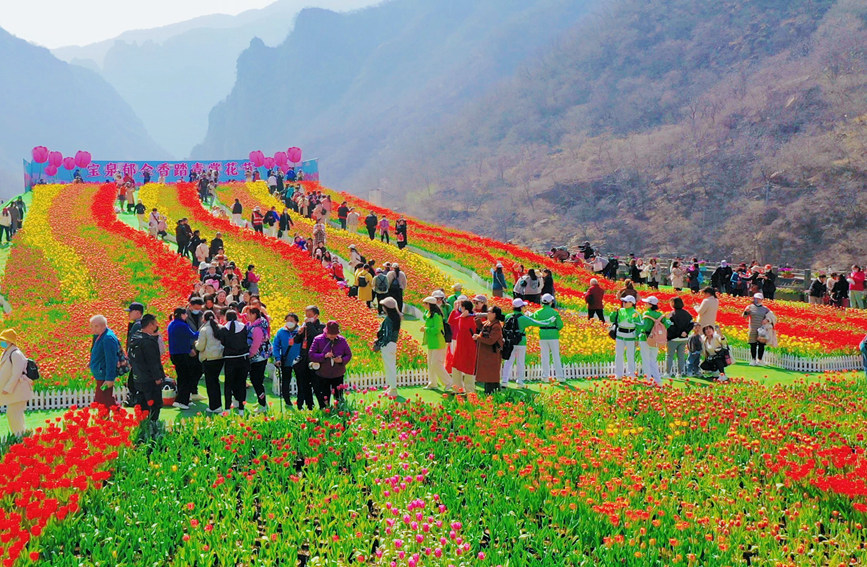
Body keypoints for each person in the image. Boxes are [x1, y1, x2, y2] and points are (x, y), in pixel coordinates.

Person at [500, 298, 551, 387]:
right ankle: (520, 382)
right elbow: (537, 323)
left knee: (508, 362)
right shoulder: (523, 318)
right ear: (521, 307)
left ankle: (504, 381)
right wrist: (549, 321)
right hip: (521, 342)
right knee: (520, 362)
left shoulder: (508, 316)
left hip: (510, 342)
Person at [128, 314, 165, 424]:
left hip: (138, 377)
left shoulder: (135, 338)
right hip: (150, 378)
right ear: (150, 325)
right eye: (155, 323)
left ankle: (142, 423)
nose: (157, 326)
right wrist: (158, 377)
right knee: (154, 404)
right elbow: (153, 362)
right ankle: (152, 424)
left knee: (142, 402)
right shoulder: (148, 342)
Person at [309, 320, 352, 407]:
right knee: (325, 396)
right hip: (323, 373)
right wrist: (324, 356)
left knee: (339, 396)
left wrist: (341, 360)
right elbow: (311, 355)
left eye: (334, 335)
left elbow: (348, 354)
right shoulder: (318, 339)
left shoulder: (342, 340)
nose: (332, 337)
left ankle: (339, 410)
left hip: (338, 373)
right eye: (331, 335)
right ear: (326, 332)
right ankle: (325, 411)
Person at [214, 310, 250, 413]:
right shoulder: (243, 327)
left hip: (230, 359)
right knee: (241, 383)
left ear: (226, 317)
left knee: (228, 384)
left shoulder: (224, 329)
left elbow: (223, 342)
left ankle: (227, 408)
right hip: (243, 358)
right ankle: (241, 409)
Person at [0, 329, 33, 436]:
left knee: (13, 413)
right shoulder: (7, 352)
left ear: (9, 341)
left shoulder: (16, 354)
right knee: (14, 414)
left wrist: (7, 388)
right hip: (15, 391)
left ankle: (20, 435)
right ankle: (21, 435)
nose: (2, 342)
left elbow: (16, 373)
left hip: (18, 389)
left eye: (4, 340)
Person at [293, 306, 325, 410]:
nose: (307, 318)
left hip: (316, 361)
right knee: (305, 385)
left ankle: (322, 405)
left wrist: (309, 324)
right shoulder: (304, 327)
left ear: (316, 316)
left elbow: (317, 336)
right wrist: (299, 332)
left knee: (317, 385)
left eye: (310, 316)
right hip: (304, 359)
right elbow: (296, 341)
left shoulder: (322, 326)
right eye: (306, 315)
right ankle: (309, 405)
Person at [167, 308, 199, 410]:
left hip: (175, 354)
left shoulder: (172, 324)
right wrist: (202, 329)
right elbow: (193, 335)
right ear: (181, 315)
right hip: (182, 354)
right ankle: (181, 401)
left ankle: (185, 399)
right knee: (186, 378)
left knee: (181, 377)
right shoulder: (182, 325)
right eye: (185, 314)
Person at [194, 310, 224, 413]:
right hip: (219, 358)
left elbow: (200, 346)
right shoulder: (220, 327)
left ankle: (214, 406)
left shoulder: (204, 329)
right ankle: (218, 405)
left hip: (209, 359)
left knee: (211, 384)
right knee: (216, 382)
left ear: (204, 318)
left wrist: (196, 343)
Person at [88, 315, 121, 409]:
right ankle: (112, 420)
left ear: (100, 326)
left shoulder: (108, 338)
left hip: (104, 376)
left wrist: (110, 378)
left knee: (102, 400)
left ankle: (111, 420)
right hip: (101, 374)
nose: (92, 328)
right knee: (106, 400)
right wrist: (91, 362)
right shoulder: (100, 336)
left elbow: (111, 359)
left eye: (94, 326)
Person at [531, 294, 565, 383]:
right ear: (550, 302)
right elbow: (560, 325)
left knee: (544, 356)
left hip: (542, 334)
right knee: (555, 356)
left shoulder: (538, 312)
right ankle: (560, 376)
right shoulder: (554, 312)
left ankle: (545, 376)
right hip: (553, 335)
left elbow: (532, 319)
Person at [637, 297, 670, 386]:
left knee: (646, 360)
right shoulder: (660, 314)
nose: (645, 304)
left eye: (647, 303)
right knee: (653, 360)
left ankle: (648, 380)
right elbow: (667, 324)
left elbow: (643, 326)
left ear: (651, 305)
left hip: (645, 338)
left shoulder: (646, 313)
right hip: (656, 340)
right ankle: (658, 380)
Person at [421, 297, 452, 390]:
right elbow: (425, 316)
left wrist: (425, 329)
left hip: (438, 342)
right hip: (432, 342)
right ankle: (432, 383)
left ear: (430, 305)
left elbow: (437, 329)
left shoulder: (436, 315)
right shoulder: (429, 314)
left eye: (425, 303)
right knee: (430, 363)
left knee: (436, 363)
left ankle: (449, 382)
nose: (423, 305)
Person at [272, 313, 301, 409]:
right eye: (287, 320)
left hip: (299, 361)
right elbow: (276, 346)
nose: (289, 323)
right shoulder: (281, 332)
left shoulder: (301, 331)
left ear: (296, 322)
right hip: (286, 360)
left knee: (301, 382)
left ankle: (300, 402)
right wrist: (277, 358)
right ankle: (287, 401)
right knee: (285, 381)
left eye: (291, 321)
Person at [374, 297, 401, 397]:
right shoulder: (396, 317)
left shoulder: (389, 319)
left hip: (388, 344)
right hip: (392, 344)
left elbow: (387, 334)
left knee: (389, 367)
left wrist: (380, 344)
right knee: (390, 366)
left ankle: (393, 389)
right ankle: (391, 387)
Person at [473, 307, 505, 394]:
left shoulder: (496, 326)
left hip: (492, 354)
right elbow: (482, 327)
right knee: (488, 375)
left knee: (492, 375)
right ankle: (490, 393)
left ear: (494, 314)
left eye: (489, 312)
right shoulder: (489, 323)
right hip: (487, 354)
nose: (487, 313)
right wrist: (477, 319)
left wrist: (478, 337)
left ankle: (493, 393)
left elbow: (491, 340)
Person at [610, 295, 642, 379]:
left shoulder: (635, 313)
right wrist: (614, 312)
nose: (623, 303)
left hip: (630, 335)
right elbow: (612, 319)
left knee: (630, 355)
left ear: (632, 303)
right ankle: (618, 374)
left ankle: (631, 373)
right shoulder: (620, 311)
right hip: (620, 335)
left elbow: (639, 327)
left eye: (625, 302)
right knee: (618, 355)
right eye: (623, 301)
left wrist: (637, 338)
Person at [246, 308, 270, 413]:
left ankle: (263, 404)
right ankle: (261, 401)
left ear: (254, 314)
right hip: (257, 357)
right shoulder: (253, 325)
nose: (246, 315)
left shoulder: (257, 328)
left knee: (256, 381)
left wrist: (250, 355)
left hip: (258, 358)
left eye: (248, 313)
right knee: (256, 380)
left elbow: (255, 344)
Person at [451, 300, 478, 394]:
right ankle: (457, 388)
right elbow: (451, 321)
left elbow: (464, 327)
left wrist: (461, 316)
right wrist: (454, 311)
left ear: (464, 308)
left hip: (469, 347)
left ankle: (469, 390)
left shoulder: (472, 318)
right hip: (460, 347)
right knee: (455, 367)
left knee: (468, 369)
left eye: (460, 307)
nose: (459, 308)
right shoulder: (462, 317)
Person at [664, 297, 693, 379]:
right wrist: (686, 332)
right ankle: (679, 373)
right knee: (681, 356)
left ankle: (667, 372)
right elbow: (691, 324)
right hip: (683, 339)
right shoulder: (687, 314)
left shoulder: (672, 314)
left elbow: (671, 327)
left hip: (673, 338)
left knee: (669, 356)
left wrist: (678, 333)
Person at [743, 293, 771, 366]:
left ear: (762, 299)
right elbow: (744, 316)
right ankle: (753, 359)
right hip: (753, 328)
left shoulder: (765, 309)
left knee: (761, 344)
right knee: (753, 344)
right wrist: (746, 311)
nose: (757, 300)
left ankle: (760, 359)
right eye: (756, 298)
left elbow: (771, 317)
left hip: (762, 329)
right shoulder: (750, 307)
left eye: (759, 299)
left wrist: (767, 320)